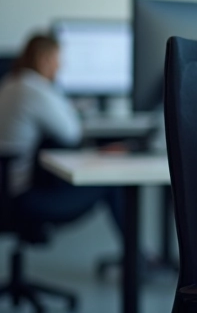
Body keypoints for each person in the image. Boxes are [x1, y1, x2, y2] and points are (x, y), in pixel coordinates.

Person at [0, 34, 124, 236]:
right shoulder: (36, 90)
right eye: (58, 59)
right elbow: (71, 134)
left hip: (7, 190)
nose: (60, 66)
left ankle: (136, 258)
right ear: (45, 59)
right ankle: (136, 259)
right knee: (112, 181)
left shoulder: (10, 83)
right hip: (23, 195)